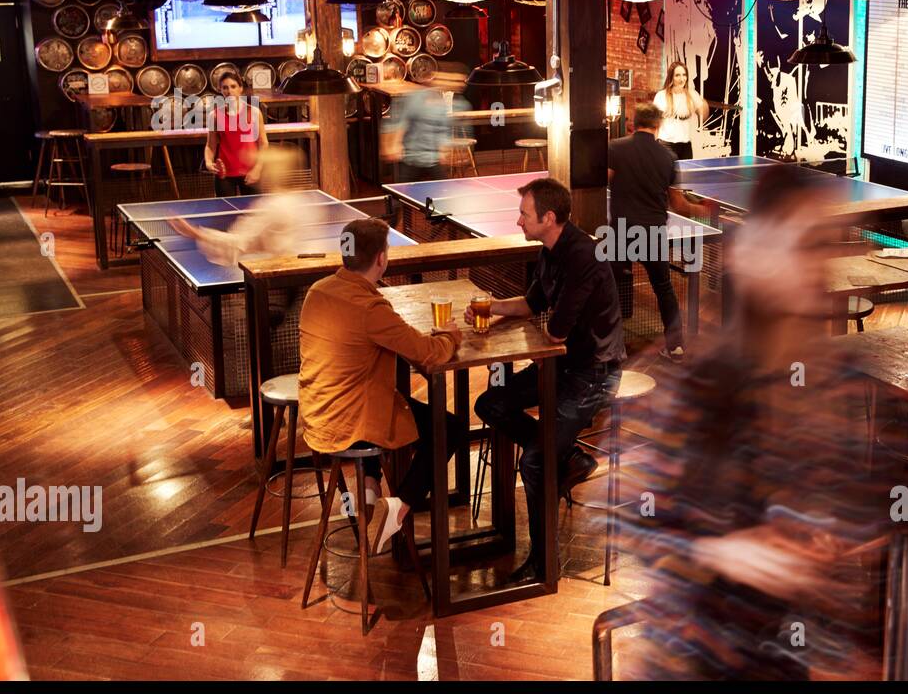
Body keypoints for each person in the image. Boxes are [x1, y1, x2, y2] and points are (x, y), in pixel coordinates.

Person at [619, 164, 884, 680]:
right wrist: (721, 551)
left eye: (824, 246)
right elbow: (634, 522)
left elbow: (845, 505)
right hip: (692, 663)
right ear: (757, 253)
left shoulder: (838, 379)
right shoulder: (703, 378)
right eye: (802, 244)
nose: (817, 265)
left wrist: (836, 535)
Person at [472, 178, 625, 582]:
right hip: (563, 366)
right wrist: (489, 309)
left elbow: (555, 332)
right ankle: (570, 457)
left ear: (548, 218)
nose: (518, 220)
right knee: (490, 403)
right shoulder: (549, 251)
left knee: (534, 462)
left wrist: (539, 354)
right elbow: (532, 303)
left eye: (524, 213)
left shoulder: (583, 257)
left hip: (593, 375)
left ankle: (544, 565)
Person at [297, 217, 468, 557]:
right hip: (351, 422)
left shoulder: (317, 291)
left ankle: (368, 493)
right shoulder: (371, 308)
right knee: (450, 428)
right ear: (381, 259)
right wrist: (451, 334)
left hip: (317, 414)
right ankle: (399, 507)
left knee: (386, 398)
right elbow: (429, 355)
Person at [607, 102, 714, 363]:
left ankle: (611, 348)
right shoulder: (668, 157)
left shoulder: (615, 148)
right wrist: (701, 209)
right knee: (663, 287)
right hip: (653, 231)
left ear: (632, 122)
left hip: (622, 229)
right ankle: (676, 346)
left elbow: (603, 182)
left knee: (613, 287)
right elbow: (678, 205)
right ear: (659, 125)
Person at [168, 145, 316, 267]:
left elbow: (239, 243)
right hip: (310, 272)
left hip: (282, 275)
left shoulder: (273, 206)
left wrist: (197, 234)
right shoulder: (307, 201)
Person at [381, 76, 469, 183]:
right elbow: (402, 122)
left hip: (432, 158)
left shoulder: (443, 104)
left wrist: (443, 148)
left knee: (445, 188)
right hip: (413, 157)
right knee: (402, 194)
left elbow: (442, 129)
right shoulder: (416, 98)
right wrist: (394, 144)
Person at [205, 70, 268, 196]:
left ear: (240, 89)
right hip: (224, 175)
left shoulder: (254, 112)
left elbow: (263, 144)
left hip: (251, 173)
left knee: (254, 214)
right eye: (225, 87)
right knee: (226, 214)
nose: (229, 91)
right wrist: (208, 162)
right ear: (220, 90)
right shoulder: (215, 115)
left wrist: (257, 169)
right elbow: (210, 145)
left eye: (233, 86)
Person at [652, 60, 709, 161]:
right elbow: (655, 122)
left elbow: (703, 115)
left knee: (686, 176)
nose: (682, 79)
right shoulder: (661, 96)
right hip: (666, 144)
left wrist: (704, 106)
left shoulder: (692, 94)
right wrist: (654, 144)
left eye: (684, 75)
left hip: (685, 145)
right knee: (668, 175)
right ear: (671, 77)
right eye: (677, 75)